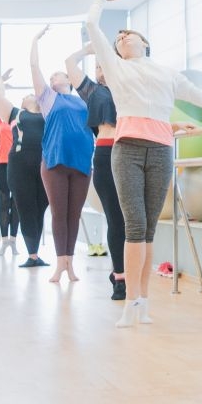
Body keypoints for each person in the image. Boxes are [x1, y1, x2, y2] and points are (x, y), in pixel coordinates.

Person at [85, 0, 202, 327]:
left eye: (128, 34)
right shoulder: (116, 68)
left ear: (145, 43)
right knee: (134, 225)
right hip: (126, 151)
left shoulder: (167, 74)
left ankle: (142, 300)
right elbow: (91, 25)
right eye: (118, 38)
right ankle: (130, 301)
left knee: (149, 229)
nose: (122, 37)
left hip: (160, 150)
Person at [30, 27, 94, 285]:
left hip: (82, 163)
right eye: (51, 76)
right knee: (59, 213)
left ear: (68, 79)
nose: (53, 77)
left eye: (57, 74)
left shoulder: (84, 100)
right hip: (55, 162)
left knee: (73, 214)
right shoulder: (48, 98)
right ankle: (60, 264)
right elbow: (34, 67)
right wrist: (35, 41)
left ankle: (70, 264)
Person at [66, 46, 128, 300]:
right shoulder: (93, 90)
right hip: (105, 153)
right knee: (116, 219)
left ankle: (128, 272)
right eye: (97, 67)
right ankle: (120, 278)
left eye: (103, 65)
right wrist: (89, 50)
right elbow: (70, 63)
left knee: (131, 220)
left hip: (131, 152)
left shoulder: (129, 87)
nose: (99, 70)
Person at [0, 72, 48, 269]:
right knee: (25, 209)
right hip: (19, 166)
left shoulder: (48, 113)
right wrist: (0, 81)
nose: (28, 95)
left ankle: (35, 255)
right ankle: (32, 255)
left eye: (31, 94)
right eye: (26, 95)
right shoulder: (15, 113)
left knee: (40, 209)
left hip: (44, 165)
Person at [0, 95, 19, 256]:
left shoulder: (18, 122)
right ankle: (4, 242)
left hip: (16, 165)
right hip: (1, 165)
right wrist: (0, 86)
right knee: (4, 203)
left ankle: (13, 242)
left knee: (15, 204)